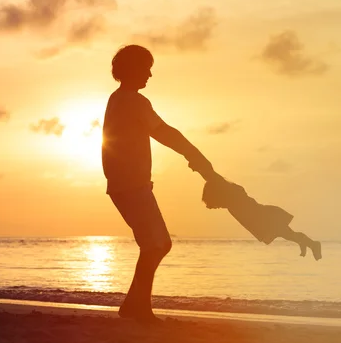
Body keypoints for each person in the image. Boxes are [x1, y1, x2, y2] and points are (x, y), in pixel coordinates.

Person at [102, 44, 213, 324]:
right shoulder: (132, 101)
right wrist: (195, 154)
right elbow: (164, 132)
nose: (150, 74)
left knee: (155, 244)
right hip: (130, 186)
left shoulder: (117, 99)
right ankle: (137, 308)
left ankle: (134, 305)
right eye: (146, 68)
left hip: (125, 185)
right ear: (132, 69)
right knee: (156, 244)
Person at [202, 174, 322, 260]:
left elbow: (216, 180)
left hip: (267, 218)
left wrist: (211, 179)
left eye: (214, 204)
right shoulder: (231, 201)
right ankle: (306, 243)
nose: (215, 207)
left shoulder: (234, 196)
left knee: (288, 234)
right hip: (267, 217)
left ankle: (312, 244)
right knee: (289, 235)